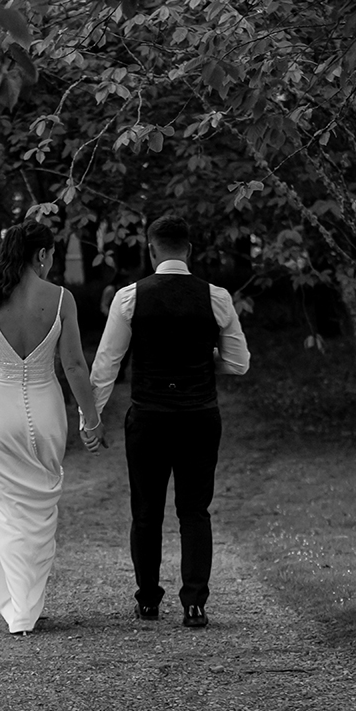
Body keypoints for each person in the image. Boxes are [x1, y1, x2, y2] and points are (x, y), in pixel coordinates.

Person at [85, 214, 250, 629]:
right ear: (189, 251)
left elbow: (107, 365)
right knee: (195, 510)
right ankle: (194, 603)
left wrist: (93, 418)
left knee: (146, 511)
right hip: (199, 416)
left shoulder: (129, 297)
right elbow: (239, 363)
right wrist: (205, 358)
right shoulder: (216, 297)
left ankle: (148, 600)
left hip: (149, 418)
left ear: (152, 249)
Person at [0, 220, 102, 635]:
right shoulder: (61, 299)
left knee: (5, 510)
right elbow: (75, 365)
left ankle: (20, 605)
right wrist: (91, 419)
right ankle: (27, 605)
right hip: (46, 412)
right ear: (41, 255)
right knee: (40, 511)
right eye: (52, 254)